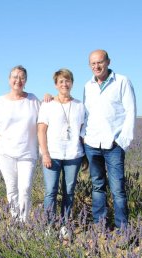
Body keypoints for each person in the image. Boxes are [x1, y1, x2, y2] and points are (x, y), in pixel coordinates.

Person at [82, 49, 136, 230]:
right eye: (93, 63)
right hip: (92, 144)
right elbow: (85, 114)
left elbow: (131, 111)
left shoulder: (122, 81)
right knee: (97, 187)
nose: (96, 66)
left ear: (108, 62)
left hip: (113, 145)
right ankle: (100, 226)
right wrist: (84, 138)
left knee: (117, 189)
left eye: (100, 62)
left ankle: (123, 230)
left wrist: (122, 141)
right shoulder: (87, 86)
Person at [0, 65, 40, 222]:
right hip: (5, 152)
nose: (18, 80)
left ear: (26, 80)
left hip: (27, 152)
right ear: (9, 80)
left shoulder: (33, 100)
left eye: (22, 77)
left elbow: (45, 117)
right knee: (11, 187)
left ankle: (24, 219)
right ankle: (16, 219)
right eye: (15, 77)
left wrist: (51, 97)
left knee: (25, 187)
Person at [37, 69, 85, 237]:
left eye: (67, 81)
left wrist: (84, 154)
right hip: (53, 155)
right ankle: (48, 225)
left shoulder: (79, 105)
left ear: (72, 83)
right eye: (61, 82)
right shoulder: (48, 104)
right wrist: (45, 154)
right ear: (56, 85)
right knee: (50, 191)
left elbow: (83, 131)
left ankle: (65, 225)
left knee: (69, 191)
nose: (65, 84)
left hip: (73, 155)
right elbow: (41, 130)